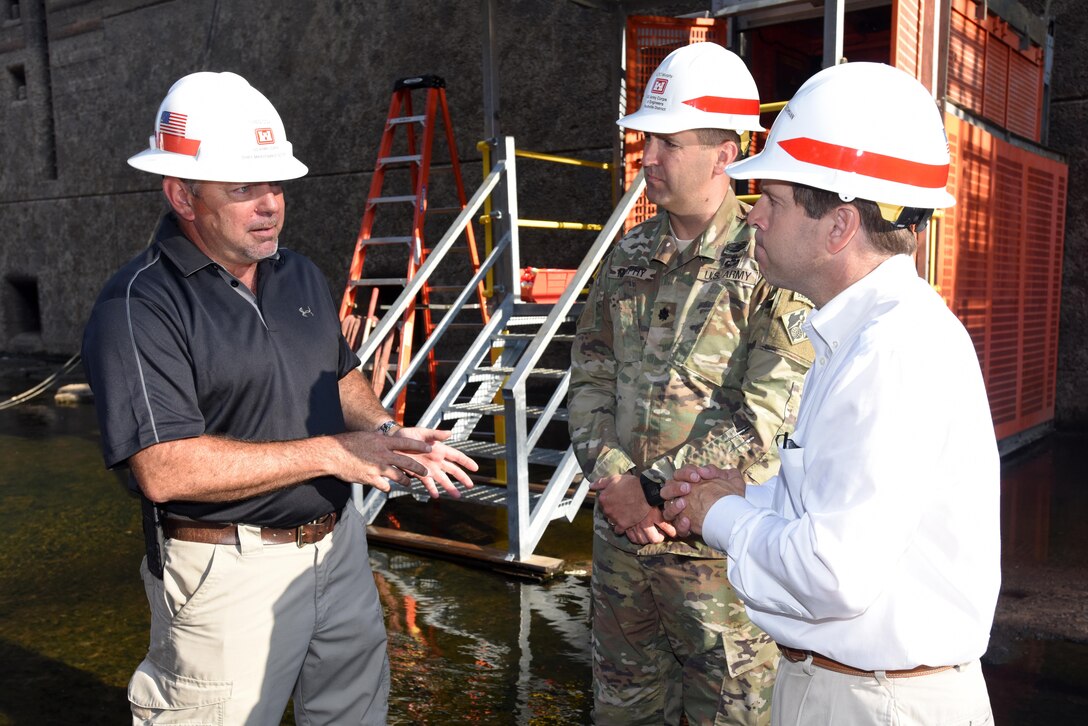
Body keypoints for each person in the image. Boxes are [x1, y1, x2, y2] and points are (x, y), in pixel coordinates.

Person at [81, 71, 477, 725]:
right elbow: (163, 468)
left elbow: (341, 373)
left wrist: (381, 431)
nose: (270, 204)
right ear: (182, 192)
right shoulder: (139, 305)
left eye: (275, 184)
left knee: (354, 713)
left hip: (339, 549)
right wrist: (331, 454)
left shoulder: (298, 274)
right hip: (225, 571)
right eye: (243, 187)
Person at [660, 61, 1000, 725]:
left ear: (839, 226)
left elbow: (831, 573)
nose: (752, 216)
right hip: (848, 688)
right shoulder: (860, 336)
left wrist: (715, 514)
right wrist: (744, 497)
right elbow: (837, 511)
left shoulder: (892, 352)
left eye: (773, 200)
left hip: (879, 701)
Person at [568, 43, 814, 725]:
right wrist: (615, 480)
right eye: (648, 140)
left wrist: (644, 492)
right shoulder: (629, 254)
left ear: (724, 154)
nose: (647, 157)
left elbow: (767, 414)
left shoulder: (772, 262)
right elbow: (587, 374)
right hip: (623, 556)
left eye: (667, 142)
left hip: (721, 565)